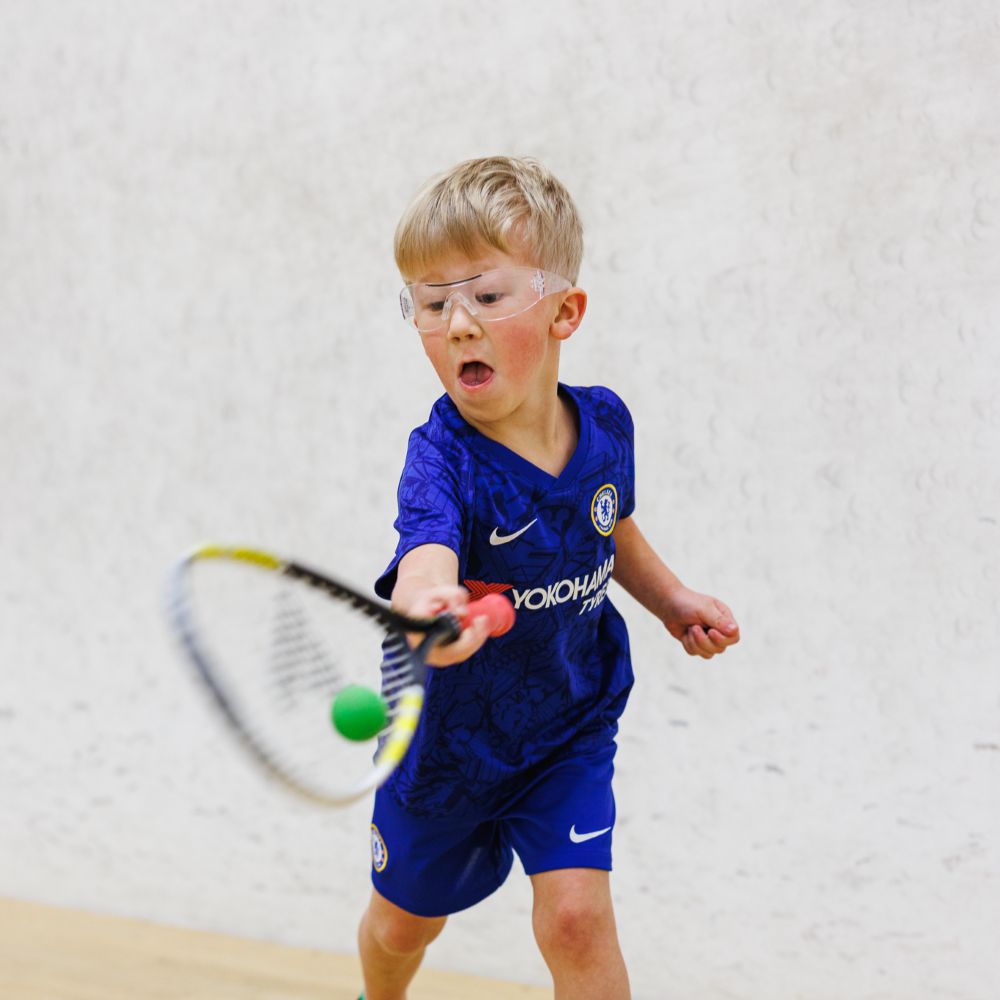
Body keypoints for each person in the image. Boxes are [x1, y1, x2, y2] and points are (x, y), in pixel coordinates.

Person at [357, 156, 740, 1000]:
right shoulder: (441, 459)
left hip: (568, 722)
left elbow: (609, 521)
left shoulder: (604, 423)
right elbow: (426, 556)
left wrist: (671, 600)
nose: (457, 323)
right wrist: (428, 608)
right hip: (446, 747)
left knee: (576, 920)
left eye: (486, 297)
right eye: (431, 303)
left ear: (564, 311)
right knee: (399, 926)